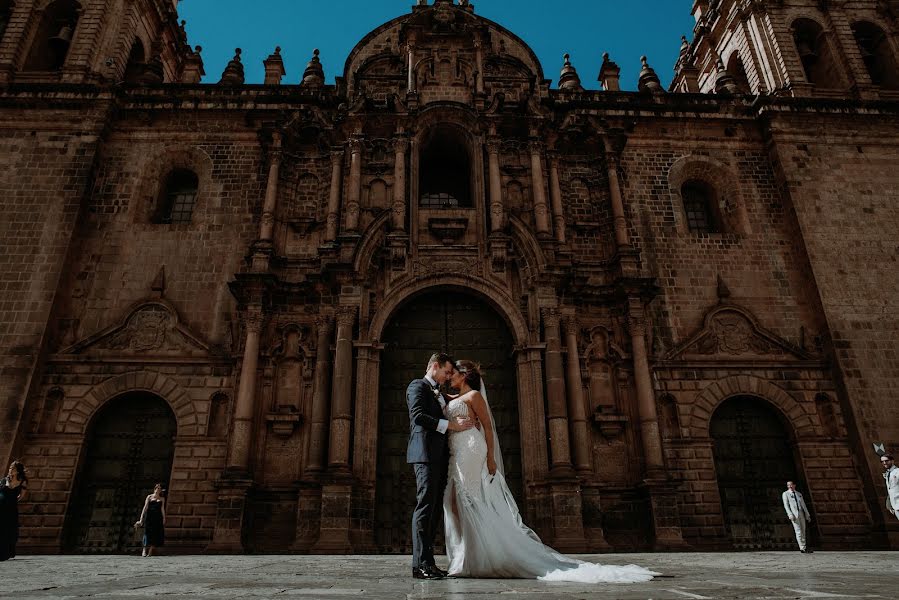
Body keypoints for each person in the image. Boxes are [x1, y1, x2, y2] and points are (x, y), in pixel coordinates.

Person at [442, 360, 657, 582]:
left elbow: (487, 426)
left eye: (453, 373)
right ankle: (471, 554)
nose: (450, 377)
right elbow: (445, 405)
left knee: (466, 499)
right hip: (457, 450)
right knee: (455, 500)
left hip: (471, 449)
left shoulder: (475, 396)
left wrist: (490, 458)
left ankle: (473, 557)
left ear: (464, 375)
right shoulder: (454, 398)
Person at [406, 352, 474, 580]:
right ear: (434, 366)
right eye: (446, 372)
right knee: (425, 507)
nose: (447, 377)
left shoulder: (439, 392)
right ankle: (420, 565)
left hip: (439, 456)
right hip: (425, 455)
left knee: (433, 510)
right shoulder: (417, 386)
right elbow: (418, 416)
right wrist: (451, 426)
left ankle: (428, 563)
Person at [0, 461, 28, 561]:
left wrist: (12, 501)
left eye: (13, 468)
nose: (11, 470)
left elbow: (21, 496)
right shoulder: (4, 480)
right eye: (10, 468)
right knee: (1, 529)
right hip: (1, 508)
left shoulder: (23, 481)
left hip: (11, 508)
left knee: (10, 529)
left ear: (17, 471)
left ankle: (8, 551)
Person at [134, 483, 166, 557]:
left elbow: (162, 509)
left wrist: (164, 518)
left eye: (159, 489)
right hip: (149, 517)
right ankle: (144, 550)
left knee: (155, 533)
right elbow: (145, 508)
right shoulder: (149, 497)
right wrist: (141, 518)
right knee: (146, 533)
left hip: (158, 518)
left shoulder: (162, 499)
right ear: (155, 488)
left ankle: (150, 551)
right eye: (157, 488)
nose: (158, 490)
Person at [781, 480, 812, 553]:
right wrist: (790, 514)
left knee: (803, 530)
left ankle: (804, 546)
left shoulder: (799, 494)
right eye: (788, 485)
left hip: (801, 513)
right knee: (798, 531)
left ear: (794, 485)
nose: (790, 486)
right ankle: (802, 547)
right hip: (794, 514)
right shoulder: (785, 494)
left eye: (791, 485)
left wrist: (807, 515)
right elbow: (786, 505)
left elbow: (803, 505)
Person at [881, 454, 899, 520]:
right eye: (882, 461)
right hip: (895, 505)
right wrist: (889, 504)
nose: (884, 463)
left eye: (886, 461)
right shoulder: (888, 473)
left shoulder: (897, 471)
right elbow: (890, 490)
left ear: (892, 461)